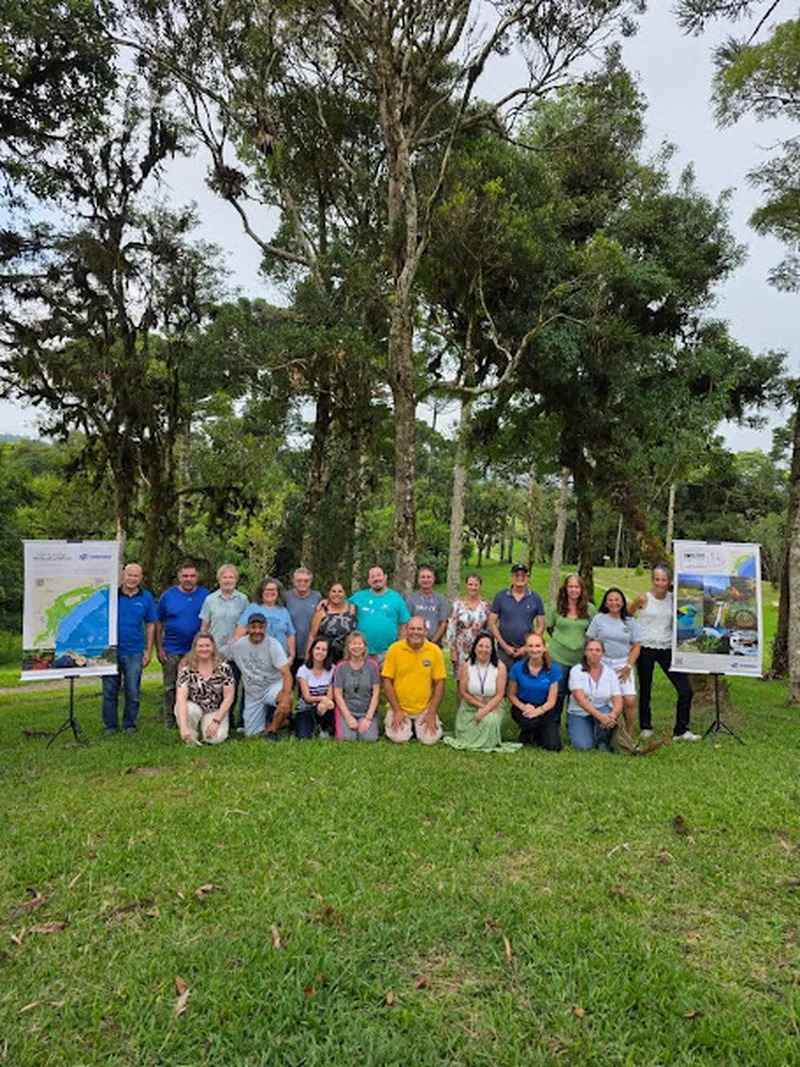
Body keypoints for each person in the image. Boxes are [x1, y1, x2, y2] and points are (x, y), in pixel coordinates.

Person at [630, 563, 698, 741]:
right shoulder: (643, 598)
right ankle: (646, 726)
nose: (660, 583)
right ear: (652, 580)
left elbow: (686, 615)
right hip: (645, 647)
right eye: (657, 579)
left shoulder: (673, 599)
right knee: (645, 688)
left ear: (669, 582)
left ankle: (681, 730)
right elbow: (627, 616)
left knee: (685, 689)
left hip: (666, 648)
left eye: (664, 580)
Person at [102, 562, 157, 735]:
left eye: (136, 576)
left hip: (134, 652)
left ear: (141, 578)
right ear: (123, 576)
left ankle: (129, 724)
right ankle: (110, 726)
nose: (132, 579)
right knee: (109, 691)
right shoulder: (111, 596)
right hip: (110, 651)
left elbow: (150, 625)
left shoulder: (146, 598)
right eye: (129, 575)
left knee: (133, 691)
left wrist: (148, 651)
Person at [444, 632, 520, 753]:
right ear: (474, 648)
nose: (483, 650)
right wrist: (481, 707)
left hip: (494, 705)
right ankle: (470, 739)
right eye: (480, 646)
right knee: (465, 730)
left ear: (492, 649)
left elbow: (500, 694)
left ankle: (485, 742)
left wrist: (485, 710)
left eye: (487, 647)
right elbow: (463, 692)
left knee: (489, 721)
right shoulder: (466, 666)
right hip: (470, 705)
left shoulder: (500, 667)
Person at [221, 613, 293, 739]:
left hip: (272, 686)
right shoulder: (237, 645)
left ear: (265, 627)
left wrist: (286, 696)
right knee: (252, 735)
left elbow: (286, 673)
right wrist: (188, 659)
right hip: (253, 693)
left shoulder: (273, 644)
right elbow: (215, 655)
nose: (257, 631)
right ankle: (285, 722)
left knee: (287, 698)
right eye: (253, 627)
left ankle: (273, 731)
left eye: (261, 627)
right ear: (247, 628)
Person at [156, 562, 209, 728]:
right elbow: (158, 622)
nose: (188, 579)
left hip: (198, 651)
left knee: (197, 686)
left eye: (192, 576)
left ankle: (192, 719)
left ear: (197, 577)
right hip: (172, 649)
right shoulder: (168, 596)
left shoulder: (206, 595)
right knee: (170, 687)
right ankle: (170, 720)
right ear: (179, 577)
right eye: (185, 576)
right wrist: (160, 647)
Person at [382, 616, 446, 744]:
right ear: (405, 630)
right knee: (399, 738)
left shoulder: (434, 651)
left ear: (425, 631)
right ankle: (407, 727)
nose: (415, 632)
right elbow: (387, 681)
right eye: (412, 628)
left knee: (430, 739)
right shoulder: (394, 649)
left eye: (419, 629)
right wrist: (397, 710)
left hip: (424, 708)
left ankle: (417, 726)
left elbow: (440, 683)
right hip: (400, 707)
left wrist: (432, 712)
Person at [585, 588, 641, 734]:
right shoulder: (599, 619)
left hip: (623, 663)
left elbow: (636, 646)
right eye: (610, 600)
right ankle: (606, 731)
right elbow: (590, 641)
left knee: (628, 700)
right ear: (605, 602)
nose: (614, 603)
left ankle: (628, 733)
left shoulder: (630, 622)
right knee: (605, 699)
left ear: (622, 601)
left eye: (617, 599)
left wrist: (628, 666)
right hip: (602, 663)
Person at [200, 563, 249, 728]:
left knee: (236, 685)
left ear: (236, 579)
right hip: (215, 652)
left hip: (237, 650)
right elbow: (205, 626)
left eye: (231, 577)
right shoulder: (210, 600)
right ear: (219, 579)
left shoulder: (243, 599)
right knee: (218, 688)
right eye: (224, 577)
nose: (228, 580)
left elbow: (247, 625)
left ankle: (241, 721)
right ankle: (221, 720)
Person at [546, 573, 596, 726]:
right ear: (565, 588)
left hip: (580, 660)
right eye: (570, 586)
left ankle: (573, 726)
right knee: (558, 693)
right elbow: (549, 627)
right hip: (558, 657)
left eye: (577, 587)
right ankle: (553, 726)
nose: (574, 590)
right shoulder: (556, 607)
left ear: (581, 589)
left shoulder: (590, 609)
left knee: (576, 694)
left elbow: (593, 632)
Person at [174, 632, 234, 745]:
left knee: (215, 739)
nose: (204, 649)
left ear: (213, 648)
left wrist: (216, 722)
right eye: (200, 646)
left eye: (207, 646)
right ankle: (190, 736)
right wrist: (183, 726)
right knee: (189, 710)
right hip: (194, 706)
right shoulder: (186, 669)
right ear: (195, 648)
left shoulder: (224, 668)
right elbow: (181, 698)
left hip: (214, 709)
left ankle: (208, 728)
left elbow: (229, 696)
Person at [508, 632, 562, 751]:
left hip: (544, 707)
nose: (534, 650)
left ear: (544, 647)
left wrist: (538, 711)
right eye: (530, 646)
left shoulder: (553, 669)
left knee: (554, 747)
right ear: (526, 648)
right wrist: (524, 707)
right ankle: (527, 732)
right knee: (530, 722)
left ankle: (535, 735)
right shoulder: (517, 668)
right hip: (523, 707)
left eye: (537, 646)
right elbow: (511, 695)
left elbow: (552, 700)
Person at [567, 638, 623, 751]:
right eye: (590, 649)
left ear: (602, 653)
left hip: (603, 710)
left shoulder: (610, 673)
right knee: (583, 746)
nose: (594, 653)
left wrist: (613, 714)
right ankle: (586, 730)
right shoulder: (576, 671)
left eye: (597, 650)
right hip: (579, 712)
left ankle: (603, 741)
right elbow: (579, 698)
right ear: (585, 652)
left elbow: (617, 698)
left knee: (606, 712)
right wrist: (600, 717)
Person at [488, 562, 545, 670]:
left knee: (524, 682)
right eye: (517, 575)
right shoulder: (500, 596)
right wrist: (504, 645)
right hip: (503, 650)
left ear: (528, 578)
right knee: (502, 682)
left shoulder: (536, 598)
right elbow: (492, 622)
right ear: (511, 577)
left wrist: (527, 647)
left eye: (523, 575)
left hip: (527, 651)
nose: (520, 578)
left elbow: (541, 626)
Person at [349, 565, 410, 664]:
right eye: (373, 577)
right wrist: (326, 602)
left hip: (388, 651)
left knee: (386, 679)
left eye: (379, 575)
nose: (376, 579)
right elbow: (339, 605)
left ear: (385, 577)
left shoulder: (396, 598)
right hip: (362, 651)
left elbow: (404, 624)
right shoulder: (358, 597)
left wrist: (400, 647)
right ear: (369, 580)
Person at [333, 631, 381, 742]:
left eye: (360, 644)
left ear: (364, 647)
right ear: (348, 647)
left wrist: (368, 718)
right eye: (353, 643)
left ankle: (369, 723)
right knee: (347, 739)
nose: (356, 647)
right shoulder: (341, 667)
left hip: (366, 710)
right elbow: (338, 694)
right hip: (347, 710)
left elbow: (376, 693)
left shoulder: (372, 665)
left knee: (369, 739)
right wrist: (348, 717)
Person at [233, 578, 296, 660]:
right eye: (267, 590)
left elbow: (290, 634)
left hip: (280, 658)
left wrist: (292, 656)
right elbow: (241, 629)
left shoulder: (284, 611)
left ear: (278, 593)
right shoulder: (253, 608)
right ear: (261, 592)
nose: (270, 592)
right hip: (257, 658)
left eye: (273, 590)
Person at [446, 572, 491, 677]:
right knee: (462, 680)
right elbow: (451, 628)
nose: (473, 587)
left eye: (476, 584)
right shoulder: (458, 605)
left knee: (478, 679)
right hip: (461, 649)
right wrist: (453, 651)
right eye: (470, 584)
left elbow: (489, 628)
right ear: (466, 585)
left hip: (480, 649)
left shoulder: (486, 605)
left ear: (480, 586)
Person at [295, 637, 336, 739]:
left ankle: (324, 728)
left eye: (324, 650)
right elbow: (307, 697)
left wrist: (324, 703)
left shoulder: (332, 669)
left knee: (330, 706)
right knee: (303, 737)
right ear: (312, 650)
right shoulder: (303, 670)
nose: (320, 652)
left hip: (325, 707)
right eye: (317, 648)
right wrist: (322, 699)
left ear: (327, 653)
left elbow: (330, 696)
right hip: (306, 707)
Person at [306, 581, 358, 662]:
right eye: (333, 591)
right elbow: (312, 636)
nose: (336, 594)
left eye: (340, 591)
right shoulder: (321, 612)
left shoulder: (351, 608)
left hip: (348, 656)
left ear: (344, 593)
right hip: (326, 655)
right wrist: (308, 657)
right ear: (329, 593)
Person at [285, 567, 322, 673]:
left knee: (306, 685)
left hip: (309, 649)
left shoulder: (317, 596)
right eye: (299, 581)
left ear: (310, 582)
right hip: (290, 649)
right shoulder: (286, 597)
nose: (302, 583)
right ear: (294, 582)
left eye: (306, 581)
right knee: (287, 685)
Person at [405, 566, 449, 644]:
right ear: (418, 580)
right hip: (415, 641)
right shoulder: (411, 599)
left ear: (433, 579)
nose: (426, 580)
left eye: (429, 577)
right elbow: (407, 622)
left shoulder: (441, 599)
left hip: (435, 642)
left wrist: (433, 641)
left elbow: (443, 623)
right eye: (423, 577)